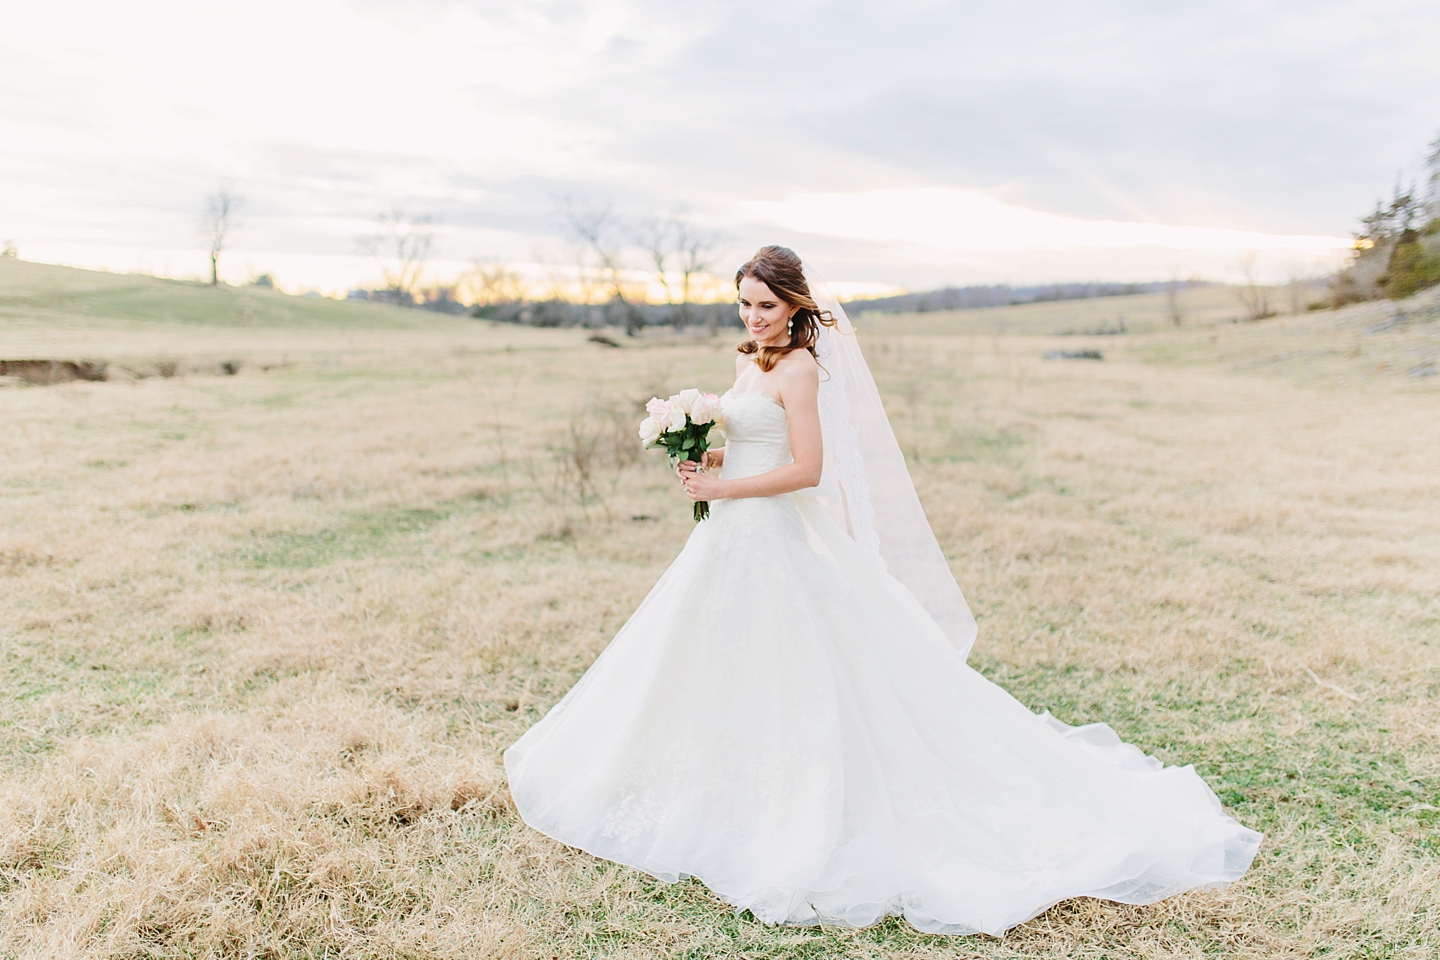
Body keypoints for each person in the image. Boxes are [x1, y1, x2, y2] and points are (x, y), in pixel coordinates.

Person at [504, 245, 1261, 936]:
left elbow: (807, 469)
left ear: (797, 304)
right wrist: (703, 453)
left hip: (768, 535)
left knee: (798, 668)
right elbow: (758, 441)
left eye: (766, 304)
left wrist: (725, 489)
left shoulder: (801, 367)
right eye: (743, 303)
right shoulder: (754, 361)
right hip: (731, 537)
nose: (752, 316)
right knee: (711, 660)